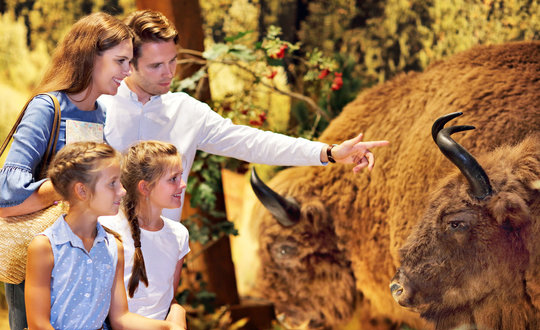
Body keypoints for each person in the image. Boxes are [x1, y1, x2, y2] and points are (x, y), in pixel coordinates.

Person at [101, 9, 390, 221]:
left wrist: (328, 152)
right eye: (156, 66)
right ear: (129, 64)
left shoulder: (186, 111)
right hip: (100, 250)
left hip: (162, 251)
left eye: (173, 60)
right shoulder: (97, 106)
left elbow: (253, 142)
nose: (169, 73)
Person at [0, 12, 133, 330]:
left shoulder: (99, 113)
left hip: (80, 257)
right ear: (91, 56)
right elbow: (7, 188)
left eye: (130, 62)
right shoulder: (48, 106)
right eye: (120, 61)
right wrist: (77, 182)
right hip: (39, 255)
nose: (127, 71)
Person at [21, 141, 189, 330]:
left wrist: (170, 327)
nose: (122, 190)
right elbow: (38, 326)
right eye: (112, 183)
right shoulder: (44, 247)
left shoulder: (113, 247)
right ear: (82, 190)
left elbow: (120, 318)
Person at [99, 140, 195, 330]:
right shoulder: (106, 229)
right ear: (145, 187)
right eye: (173, 179)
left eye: (181, 176)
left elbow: (169, 298)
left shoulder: (179, 235)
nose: (183, 185)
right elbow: (94, 307)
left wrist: (177, 314)